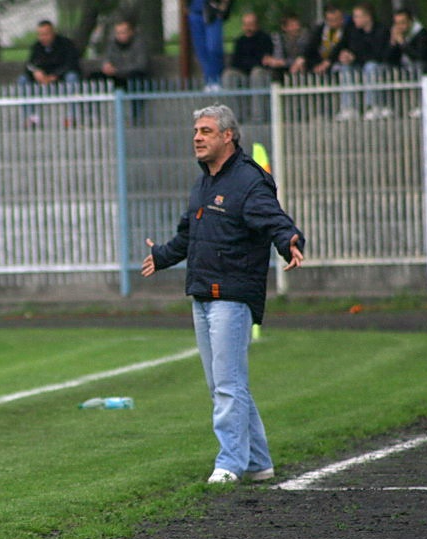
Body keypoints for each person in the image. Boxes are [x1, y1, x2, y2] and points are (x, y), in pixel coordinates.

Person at [141, 104, 304, 485]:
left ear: (228, 136)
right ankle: (258, 462)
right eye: (196, 130)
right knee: (225, 386)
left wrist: (290, 240)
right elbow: (188, 235)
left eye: (206, 131)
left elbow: (273, 218)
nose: (197, 137)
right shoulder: (204, 182)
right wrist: (161, 256)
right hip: (203, 294)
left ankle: (229, 462)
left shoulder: (248, 179)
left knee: (228, 386)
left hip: (232, 295)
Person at [332, 2, 391, 121]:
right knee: (345, 68)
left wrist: (355, 57)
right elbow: (343, 46)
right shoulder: (352, 29)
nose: (354, 19)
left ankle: (373, 106)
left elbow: (378, 54)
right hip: (359, 64)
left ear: (368, 17)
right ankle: (349, 108)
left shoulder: (381, 30)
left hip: (380, 64)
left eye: (357, 16)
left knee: (371, 67)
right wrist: (344, 55)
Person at [17, 20, 81, 127]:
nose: (43, 38)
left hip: (61, 77)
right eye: (40, 35)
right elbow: (29, 65)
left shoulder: (66, 44)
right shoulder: (37, 47)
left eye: (46, 34)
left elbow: (71, 64)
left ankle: (72, 117)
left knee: (72, 77)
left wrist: (55, 76)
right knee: (22, 80)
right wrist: (36, 72)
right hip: (43, 79)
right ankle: (30, 117)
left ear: (53, 32)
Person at [221, 12, 272, 122]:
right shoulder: (240, 41)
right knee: (229, 74)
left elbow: (263, 60)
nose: (248, 27)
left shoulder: (264, 38)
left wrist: (250, 63)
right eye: (246, 24)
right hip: (243, 72)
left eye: (251, 24)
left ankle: (258, 117)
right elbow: (235, 62)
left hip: (260, 72)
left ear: (256, 25)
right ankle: (234, 117)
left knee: (257, 73)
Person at [291, 4, 351, 76]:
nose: (334, 23)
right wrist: (301, 59)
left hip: (336, 61)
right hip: (319, 60)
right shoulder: (320, 29)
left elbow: (341, 47)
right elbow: (311, 45)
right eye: (330, 20)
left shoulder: (347, 30)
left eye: (336, 19)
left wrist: (328, 62)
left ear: (342, 18)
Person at [90, 19, 150, 90]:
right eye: (118, 33)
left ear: (131, 32)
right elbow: (106, 58)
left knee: (136, 76)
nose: (120, 35)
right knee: (95, 76)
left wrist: (118, 70)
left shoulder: (140, 44)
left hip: (131, 75)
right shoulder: (112, 44)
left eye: (123, 32)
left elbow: (141, 65)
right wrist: (106, 65)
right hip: (115, 76)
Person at [187, 0, 232, 91]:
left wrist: (224, 4)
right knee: (201, 50)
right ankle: (208, 81)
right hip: (195, 11)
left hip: (213, 10)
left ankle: (216, 81)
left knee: (214, 47)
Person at [385, 9, 427, 76]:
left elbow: (419, 57)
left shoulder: (421, 34)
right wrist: (392, 42)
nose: (399, 26)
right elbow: (387, 59)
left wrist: (402, 43)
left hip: (422, 67)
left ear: (411, 21)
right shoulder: (397, 34)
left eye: (403, 22)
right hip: (403, 67)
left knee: (418, 66)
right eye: (397, 23)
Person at [264, 13, 311, 81]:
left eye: (297, 24)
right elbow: (278, 59)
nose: (296, 28)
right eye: (292, 25)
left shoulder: (305, 36)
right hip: (285, 68)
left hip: (302, 67)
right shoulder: (278, 38)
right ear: (284, 28)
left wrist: (286, 62)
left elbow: (304, 56)